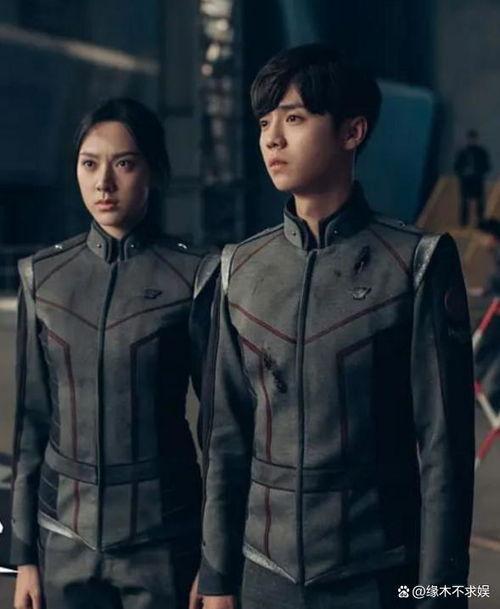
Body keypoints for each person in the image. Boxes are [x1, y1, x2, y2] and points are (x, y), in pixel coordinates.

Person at [198, 44, 475, 608]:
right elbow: (226, 441)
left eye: (294, 119)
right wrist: (217, 578)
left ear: (352, 131)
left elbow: (444, 451)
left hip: (378, 573)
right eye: (265, 123)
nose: (272, 139)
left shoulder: (415, 263)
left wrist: (441, 596)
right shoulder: (238, 269)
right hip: (263, 575)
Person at [10, 98, 218, 609]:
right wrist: (24, 556)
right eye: (89, 164)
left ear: (154, 171)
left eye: (124, 163)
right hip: (63, 541)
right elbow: (31, 427)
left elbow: (220, 433)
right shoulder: (43, 278)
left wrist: (214, 563)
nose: (103, 182)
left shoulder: (195, 276)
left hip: (163, 540)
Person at [454, 130, 491, 227]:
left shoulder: (481, 152)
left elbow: (487, 166)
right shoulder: (463, 152)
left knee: (480, 201)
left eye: (473, 139)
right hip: (466, 180)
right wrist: (463, 174)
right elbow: (457, 166)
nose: (472, 141)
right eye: (470, 138)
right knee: (464, 201)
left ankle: (481, 221)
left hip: (477, 180)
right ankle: (463, 223)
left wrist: (478, 173)